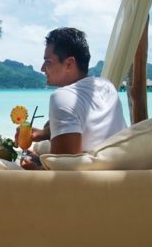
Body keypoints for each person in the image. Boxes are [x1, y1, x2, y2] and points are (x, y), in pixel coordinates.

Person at [17, 27, 127, 170]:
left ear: (69, 64)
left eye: (48, 62)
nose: (43, 68)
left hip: (85, 186)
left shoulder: (62, 97)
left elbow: (63, 173)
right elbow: (91, 126)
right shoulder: (107, 86)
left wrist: (36, 166)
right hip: (116, 173)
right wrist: (44, 134)